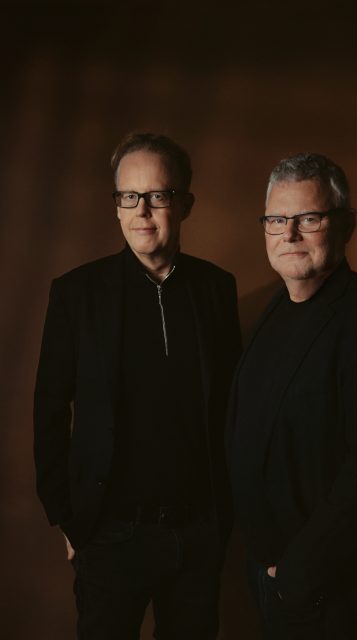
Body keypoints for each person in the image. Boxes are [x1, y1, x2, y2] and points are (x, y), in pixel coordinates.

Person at [34, 132, 241, 640]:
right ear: (116, 206)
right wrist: (67, 516)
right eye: (129, 196)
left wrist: (224, 519)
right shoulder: (77, 294)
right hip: (110, 534)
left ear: (185, 204)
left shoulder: (217, 289)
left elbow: (234, 408)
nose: (141, 211)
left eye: (157, 195)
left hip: (197, 533)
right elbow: (49, 406)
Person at [228, 153, 357, 639]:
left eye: (309, 218)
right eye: (277, 220)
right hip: (277, 581)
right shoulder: (279, 305)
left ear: (346, 225)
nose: (290, 234)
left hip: (335, 592)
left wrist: (296, 575)